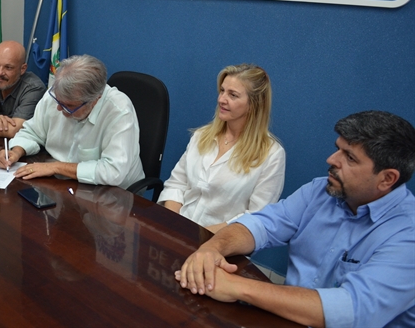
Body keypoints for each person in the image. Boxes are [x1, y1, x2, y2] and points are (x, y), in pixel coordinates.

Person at [175, 110, 415, 328]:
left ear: (387, 179)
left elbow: (352, 310)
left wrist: (236, 287)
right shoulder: (320, 191)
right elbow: (262, 225)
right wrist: (212, 248)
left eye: (350, 158)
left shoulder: (408, 235)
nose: (332, 160)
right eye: (338, 148)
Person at [157, 64, 285, 233]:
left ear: (254, 104)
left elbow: (256, 217)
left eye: (233, 95)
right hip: (177, 229)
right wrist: (174, 225)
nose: (221, 99)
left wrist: (197, 235)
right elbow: (176, 184)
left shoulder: (271, 155)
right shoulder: (202, 136)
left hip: (219, 244)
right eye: (222, 91)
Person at [0, 54, 144, 189]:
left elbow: (113, 172)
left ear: (95, 99)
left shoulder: (119, 111)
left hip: (113, 194)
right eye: (58, 101)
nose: (59, 108)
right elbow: (33, 132)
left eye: (69, 106)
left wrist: (56, 167)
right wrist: (15, 152)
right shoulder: (55, 95)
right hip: (62, 183)